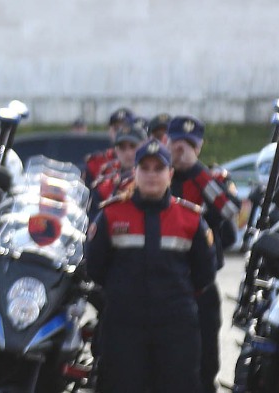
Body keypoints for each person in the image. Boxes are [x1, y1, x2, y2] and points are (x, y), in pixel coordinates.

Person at [85, 139, 215, 393]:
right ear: (134, 172)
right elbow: (95, 268)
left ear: (170, 174)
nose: (152, 175)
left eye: (159, 168)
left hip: (176, 328)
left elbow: (204, 274)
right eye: (145, 168)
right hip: (124, 327)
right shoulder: (112, 215)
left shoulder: (190, 218)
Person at [167, 116, 238, 393]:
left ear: (199, 147)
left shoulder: (210, 179)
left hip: (201, 286)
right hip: (165, 284)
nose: (180, 150)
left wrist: (196, 170)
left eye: (189, 144)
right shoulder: (156, 175)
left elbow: (231, 212)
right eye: (176, 143)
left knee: (205, 360)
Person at [90, 124, 145, 209]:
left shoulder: (156, 182)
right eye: (122, 147)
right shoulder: (103, 187)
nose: (128, 153)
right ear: (116, 150)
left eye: (133, 146)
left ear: (144, 146)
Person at [84, 107, 134, 188]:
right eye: (116, 128)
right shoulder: (96, 162)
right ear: (109, 131)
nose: (120, 133)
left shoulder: (144, 163)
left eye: (125, 128)